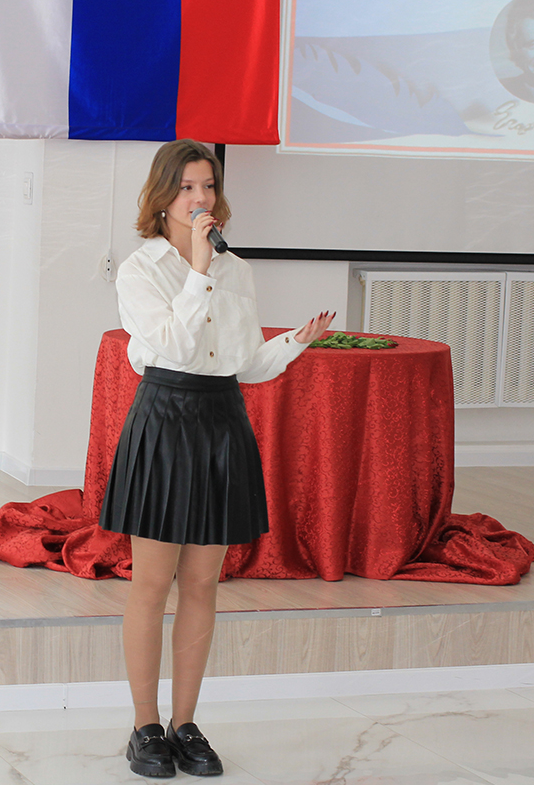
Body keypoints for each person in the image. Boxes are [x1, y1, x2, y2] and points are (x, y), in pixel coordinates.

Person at [99, 139, 334, 778]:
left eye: (208, 186)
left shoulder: (238, 270)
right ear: (162, 198)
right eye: (186, 188)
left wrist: (294, 342)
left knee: (203, 583)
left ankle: (185, 724)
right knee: (152, 584)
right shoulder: (142, 270)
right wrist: (200, 269)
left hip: (221, 420)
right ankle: (144, 726)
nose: (200, 198)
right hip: (165, 418)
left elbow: (243, 363)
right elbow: (174, 346)